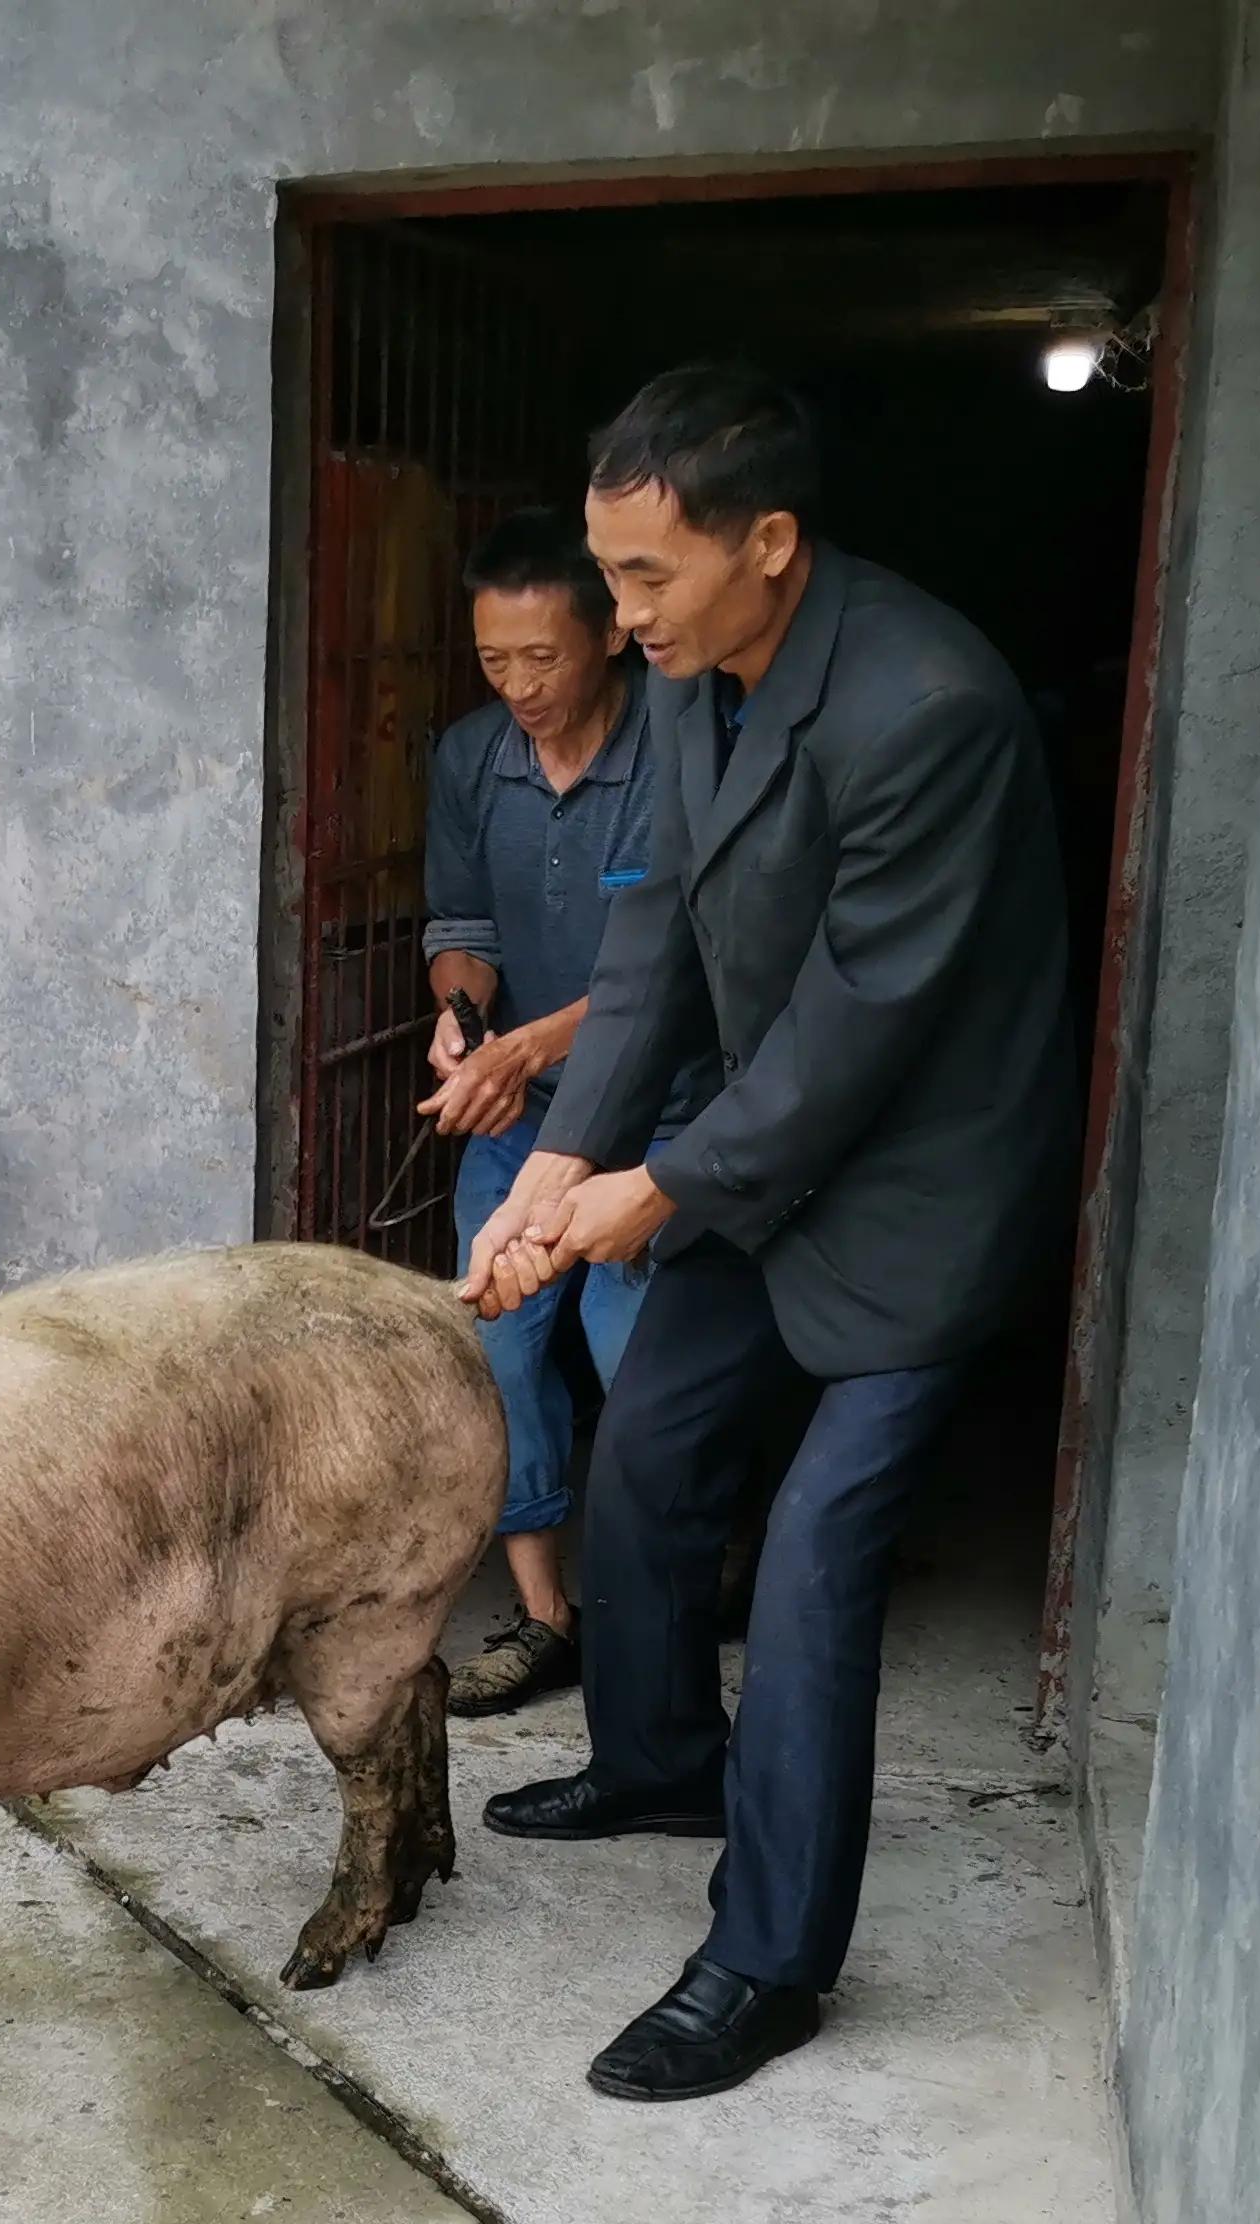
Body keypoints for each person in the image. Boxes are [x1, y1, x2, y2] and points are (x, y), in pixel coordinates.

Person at [460, 365, 1076, 2104]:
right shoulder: (683, 676)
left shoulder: (927, 704)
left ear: (772, 545)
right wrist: (555, 1161)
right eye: (607, 570)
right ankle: (657, 1760)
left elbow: (851, 1032)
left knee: (812, 1555)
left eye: (646, 575)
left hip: (919, 1182)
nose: (615, 612)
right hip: (757, 1145)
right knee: (648, 1445)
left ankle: (768, 1957)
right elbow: (654, 940)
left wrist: (637, 1198)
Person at [418, 510, 704, 1717]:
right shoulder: (470, 760)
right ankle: (543, 1617)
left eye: (541, 659)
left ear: (611, 638)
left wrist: (540, 1038)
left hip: (660, 1115)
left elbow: (683, 960)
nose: (519, 686)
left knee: (635, 1362)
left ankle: (661, 1601)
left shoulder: (679, 758)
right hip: (516, 1115)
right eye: (493, 661)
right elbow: (463, 928)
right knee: (501, 1345)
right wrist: (464, 1021)